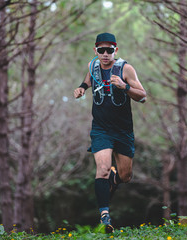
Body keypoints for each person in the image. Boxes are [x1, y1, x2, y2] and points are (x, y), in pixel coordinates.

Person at [73, 32, 146, 233]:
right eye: (101, 50)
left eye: (109, 50)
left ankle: (115, 179)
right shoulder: (93, 66)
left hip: (123, 131)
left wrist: (124, 86)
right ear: (95, 50)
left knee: (126, 176)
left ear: (116, 50)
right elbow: (88, 79)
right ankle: (105, 216)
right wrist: (81, 88)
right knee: (103, 168)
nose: (105, 54)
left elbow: (143, 96)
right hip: (101, 129)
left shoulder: (125, 69)